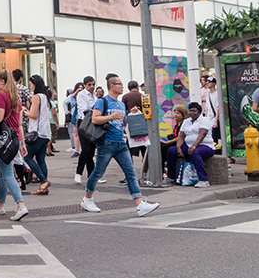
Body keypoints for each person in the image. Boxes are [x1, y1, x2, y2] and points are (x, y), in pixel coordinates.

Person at [80, 81, 159, 216]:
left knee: (131, 173)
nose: (122, 86)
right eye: (120, 84)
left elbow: (122, 121)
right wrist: (111, 116)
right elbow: (94, 119)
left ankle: (139, 204)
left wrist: (131, 114)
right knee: (98, 172)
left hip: (121, 143)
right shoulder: (102, 101)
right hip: (106, 143)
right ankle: (87, 199)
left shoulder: (121, 104)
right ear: (112, 86)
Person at [0, 70, 30, 221]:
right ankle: (0, 205)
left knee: (7, 173)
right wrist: (22, 143)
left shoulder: (0, 96)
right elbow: (18, 124)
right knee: (2, 171)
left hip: (3, 140)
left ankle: (21, 205)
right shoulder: (15, 97)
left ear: (3, 82)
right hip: (14, 139)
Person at [167, 102, 216, 188]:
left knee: (195, 152)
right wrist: (178, 148)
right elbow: (181, 136)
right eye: (190, 111)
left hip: (205, 146)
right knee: (171, 151)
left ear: (199, 112)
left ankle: (203, 179)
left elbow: (202, 134)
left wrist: (194, 146)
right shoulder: (186, 121)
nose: (192, 113)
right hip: (188, 145)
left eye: (194, 111)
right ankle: (171, 177)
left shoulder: (204, 120)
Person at [25, 74, 52, 195]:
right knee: (41, 159)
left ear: (35, 85)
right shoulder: (46, 97)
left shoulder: (36, 97)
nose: (30, 87)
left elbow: (34, 115)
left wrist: (26, 111)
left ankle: (43, 180)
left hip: (38, 132)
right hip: (46, 133)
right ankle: (43, 187)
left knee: (27, 156)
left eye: (31, 85)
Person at [74, 76, 99, 184]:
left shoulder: (95, 96)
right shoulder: (82, 94)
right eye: (89, 84)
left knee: (91, 150)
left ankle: (91, 175)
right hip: (84, 122)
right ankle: (78, 173)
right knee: (86, 149)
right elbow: (84, 109)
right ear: (84, 85)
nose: (92, 87)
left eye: (93, 84)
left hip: (93, 123)